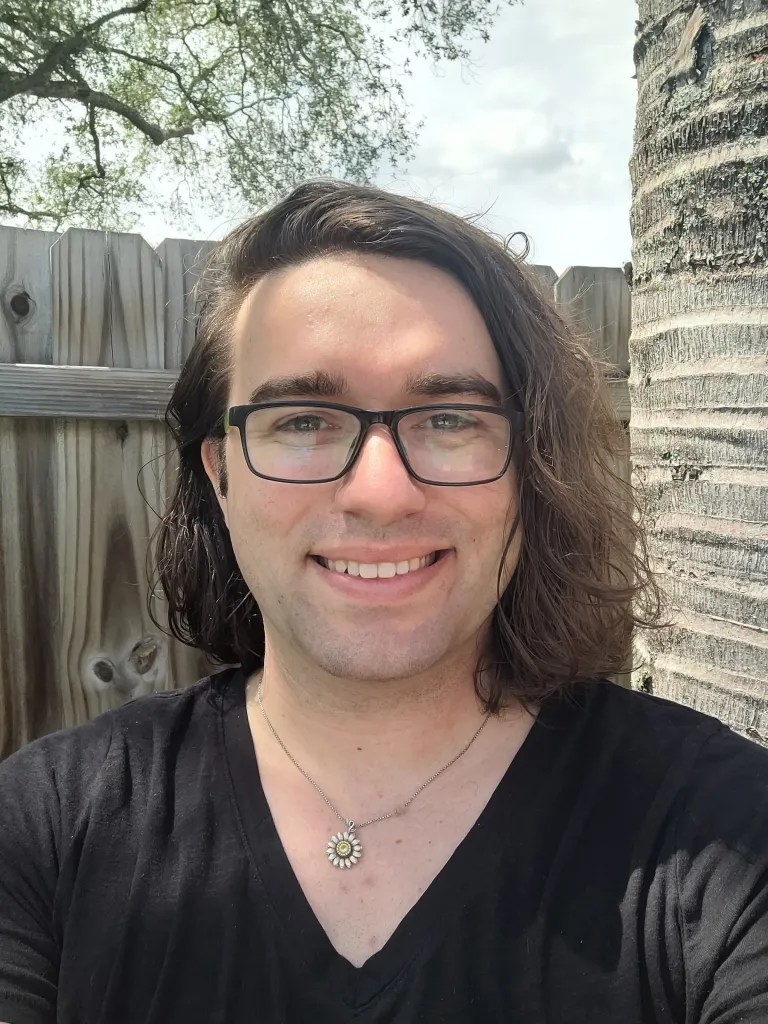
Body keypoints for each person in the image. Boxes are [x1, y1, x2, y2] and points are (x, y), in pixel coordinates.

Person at [0, 181, 766, 1024]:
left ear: (527, 471)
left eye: (448, 417)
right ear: (220, 474)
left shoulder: (725, 834)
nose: (381, 493)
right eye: (301, 420)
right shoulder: (42, 828)